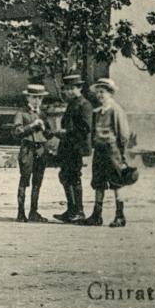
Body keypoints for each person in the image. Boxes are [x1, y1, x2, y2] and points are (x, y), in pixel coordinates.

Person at [85, 77, 134, 227]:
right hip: (99, 150)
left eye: (103, 92)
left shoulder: (115, 110)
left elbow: (124, 134)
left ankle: (120, 215)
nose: (100, 95)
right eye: (98, 92)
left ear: (110, 93)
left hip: (113, 151)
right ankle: (96, 215)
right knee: (98, 182)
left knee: (116, 182)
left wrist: (121, 153)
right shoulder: (98, 112)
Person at [51, 73, 94, 223]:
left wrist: (66, 133)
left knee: (74, 177)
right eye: (66, 89)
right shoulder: (72, 103)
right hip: (68, 146)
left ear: (79, 88)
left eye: (71, 88)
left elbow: (85, 128)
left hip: (76, 147)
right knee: (65, 176)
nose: (68, 92)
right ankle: (71, 209)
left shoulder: (84, 105)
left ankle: (79, 211)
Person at [12, 83, 53, 222]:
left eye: (40, 98)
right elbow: (17, 132)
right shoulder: (22, 113)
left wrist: (44, 128)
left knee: (38, 181)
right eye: (34, 97)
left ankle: (33, 212)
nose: (37, 101)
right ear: (28, 98)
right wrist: (32, 126)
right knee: (24, 179)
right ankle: (21, 212)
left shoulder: (42, 114)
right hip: (27, 149)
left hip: (41, 149)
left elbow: (49, 134)